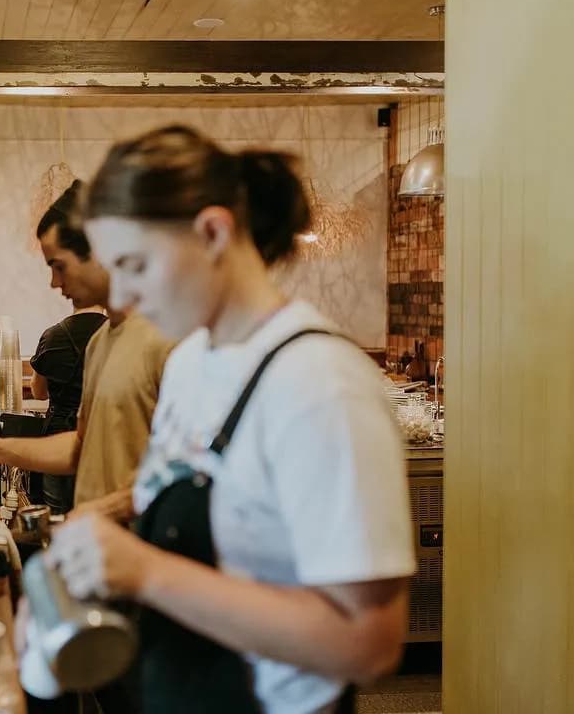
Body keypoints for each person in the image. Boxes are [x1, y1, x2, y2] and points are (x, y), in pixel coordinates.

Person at [44, 126, 416, 714]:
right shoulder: (191, 358)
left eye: (136, 264)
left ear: (214, 232)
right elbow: (169, 491)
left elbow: (368, 644)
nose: (125, 293)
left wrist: (146, 572)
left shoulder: (319, 384)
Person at [0, 180, 173, 521]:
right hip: (101, 550)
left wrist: (99, 513)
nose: (54, 283)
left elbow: (186, 471)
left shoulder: (166, 339)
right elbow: (81, 446)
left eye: (58, 266)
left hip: (143, 555)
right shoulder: (100, 342)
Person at [29, 303, 106, 514]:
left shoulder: (52, 335)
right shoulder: (117, 334)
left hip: (58, 434)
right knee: (99, 512)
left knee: (58, 513)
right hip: (102, 434)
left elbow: (39, 392)